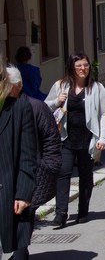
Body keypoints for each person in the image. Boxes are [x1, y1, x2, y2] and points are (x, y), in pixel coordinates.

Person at [44, 52, 105, 227]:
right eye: (79, 65)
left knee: (86, 176)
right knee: (63, 173)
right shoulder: (60, 86)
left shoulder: (97, 88)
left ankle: (83, 210)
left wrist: (102, 137)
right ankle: (61, 213)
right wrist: (57, 101)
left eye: (86, 65)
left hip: (88, 140)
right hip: (65, 138)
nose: (83, 69)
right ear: (72, 67)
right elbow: (45, 108)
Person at [7, 66, 62, 260]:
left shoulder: (36, 107)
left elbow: (51, 140)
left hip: (33, 171)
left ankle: (20, 252)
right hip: (7, 174)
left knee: (24, 212)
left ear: (19, 86)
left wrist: (49, 167)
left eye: (7, 85)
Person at [0, 57, 37, 257]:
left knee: (15, 243)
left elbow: (28, 155)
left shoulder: (19, 108)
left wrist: (23, 193)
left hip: (6, 191)